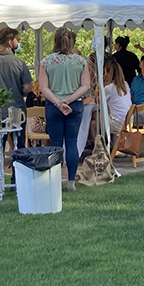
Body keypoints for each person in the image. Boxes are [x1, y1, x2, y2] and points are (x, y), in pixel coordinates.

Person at [37, 26, 92, 192]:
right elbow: (86, 86)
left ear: (55, 41)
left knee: (55, 144)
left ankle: (54, 181)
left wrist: (59, 103)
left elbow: (43, 87)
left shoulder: (46, 62)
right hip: (74, 105)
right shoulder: (81, 62)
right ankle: (70, 182)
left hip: (54, 107)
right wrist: (69, 100)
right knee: (71, 143)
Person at [0, 27, 33, 149]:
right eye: (17, 39)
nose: (19, 42)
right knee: (19, 145)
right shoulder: (19, 63)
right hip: (17, 110)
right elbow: (28, 88)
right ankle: (18, 167)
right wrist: (18, 90)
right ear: (10, 42)